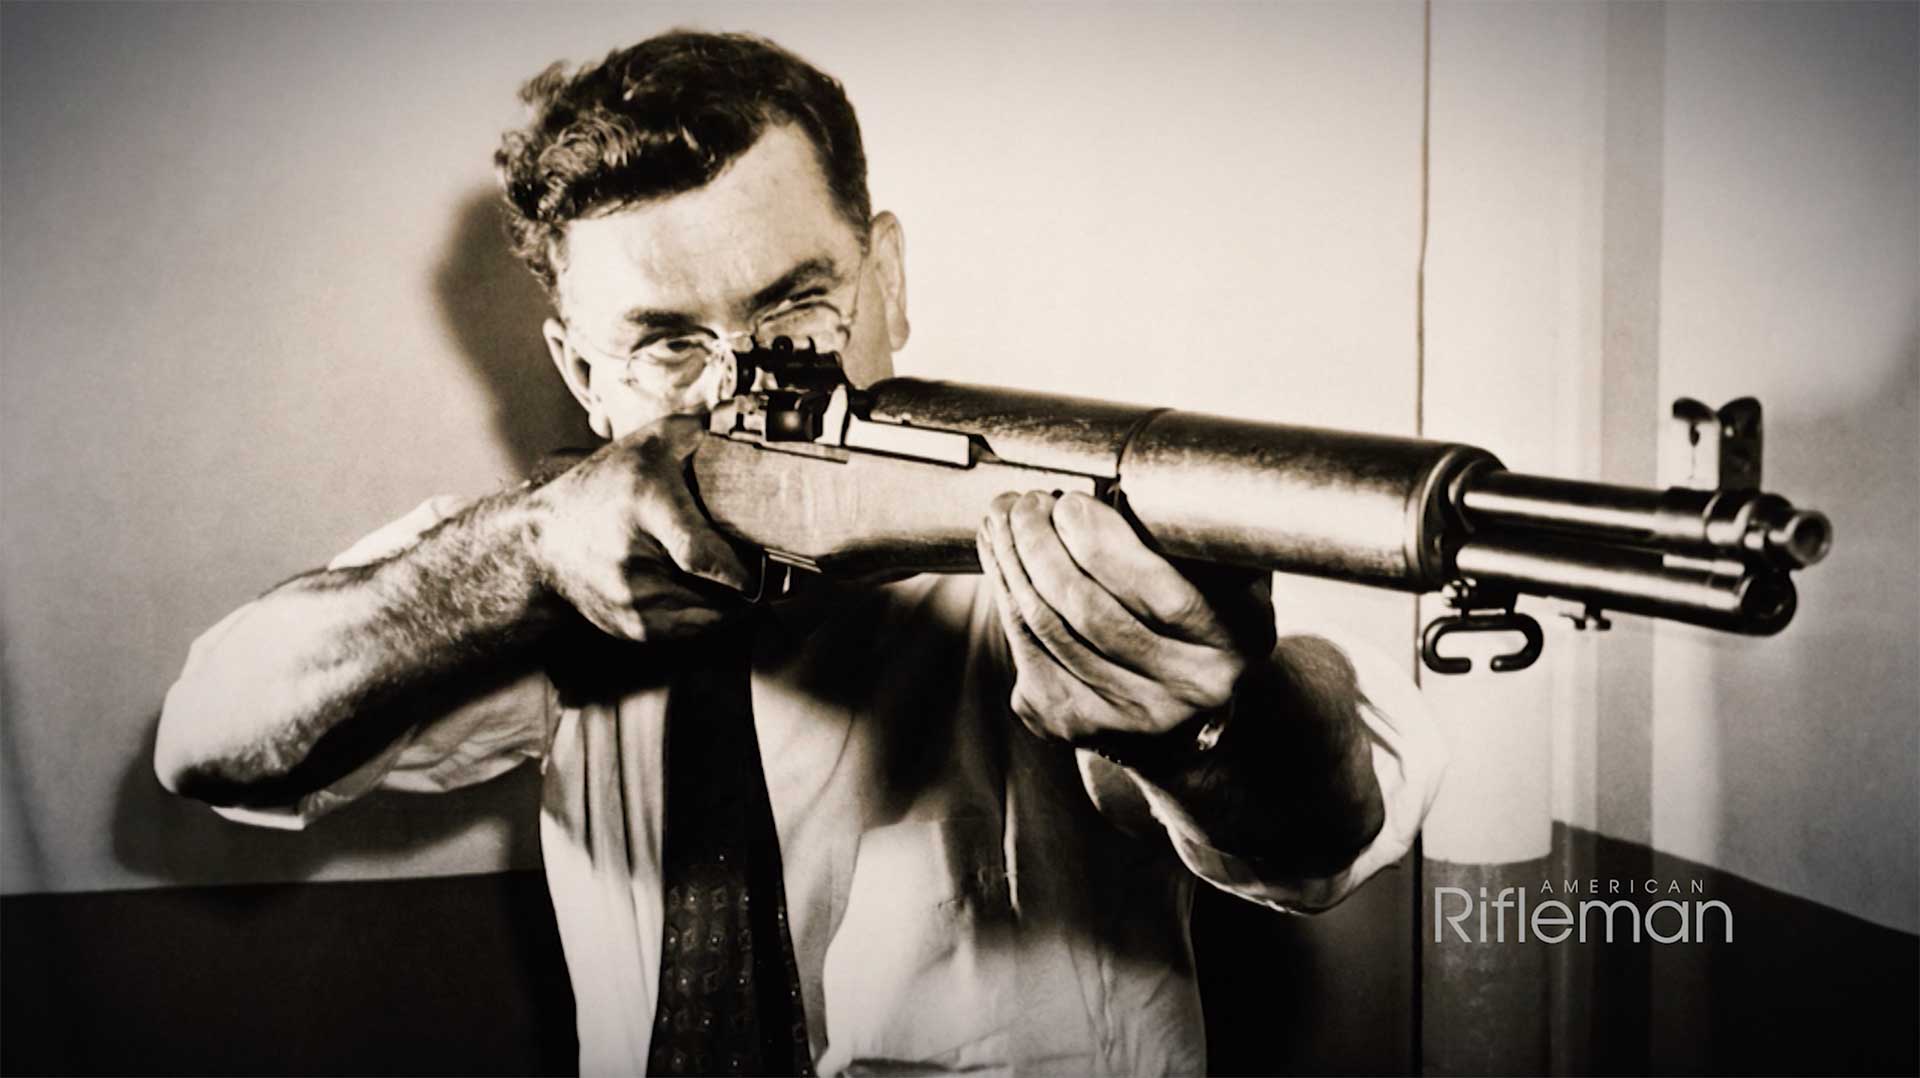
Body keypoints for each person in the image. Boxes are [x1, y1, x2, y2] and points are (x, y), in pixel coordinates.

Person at [156, 30, 1445, 1077]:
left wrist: (1209, 726)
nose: (743, 391)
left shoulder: (1051, 521)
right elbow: (211, 733)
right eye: (668, 343)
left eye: (795, 309)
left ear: (887, 276)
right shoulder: (566, 559)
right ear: (580, 372)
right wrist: (526, 553)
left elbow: (1329, 829)